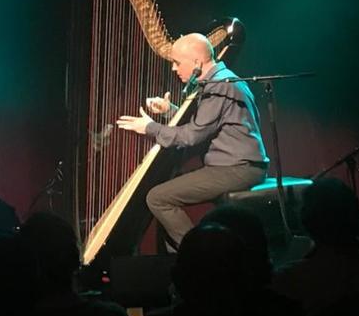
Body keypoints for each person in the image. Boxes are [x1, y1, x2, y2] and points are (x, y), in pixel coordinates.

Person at [115, 33, 269, 251]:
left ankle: (199, 252)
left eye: (177, 63)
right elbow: (206, 124)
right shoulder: (218, 80)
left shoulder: (220, 85)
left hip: (239, 169)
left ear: (197, 62)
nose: (174, 69)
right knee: (168, 184)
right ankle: (182, 255)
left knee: (157, 198)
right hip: (233, 166)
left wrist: (149, 128)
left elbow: (191, 137)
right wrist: (170, 111)